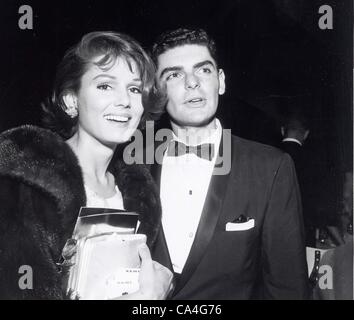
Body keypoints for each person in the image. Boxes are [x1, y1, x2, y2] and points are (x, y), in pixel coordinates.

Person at [0, 31, 173, 299]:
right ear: (71, 101)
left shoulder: (141, 196)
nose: (124, 101)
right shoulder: (25, 184)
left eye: (134, 89)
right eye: (105, 86)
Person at [150, 28, 309, 299]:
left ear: (221, 82)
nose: (192, 83)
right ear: (158, 92)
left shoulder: (271, 167)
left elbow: (288, 288)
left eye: (203, 70)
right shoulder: (133, 167)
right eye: (174, 74)